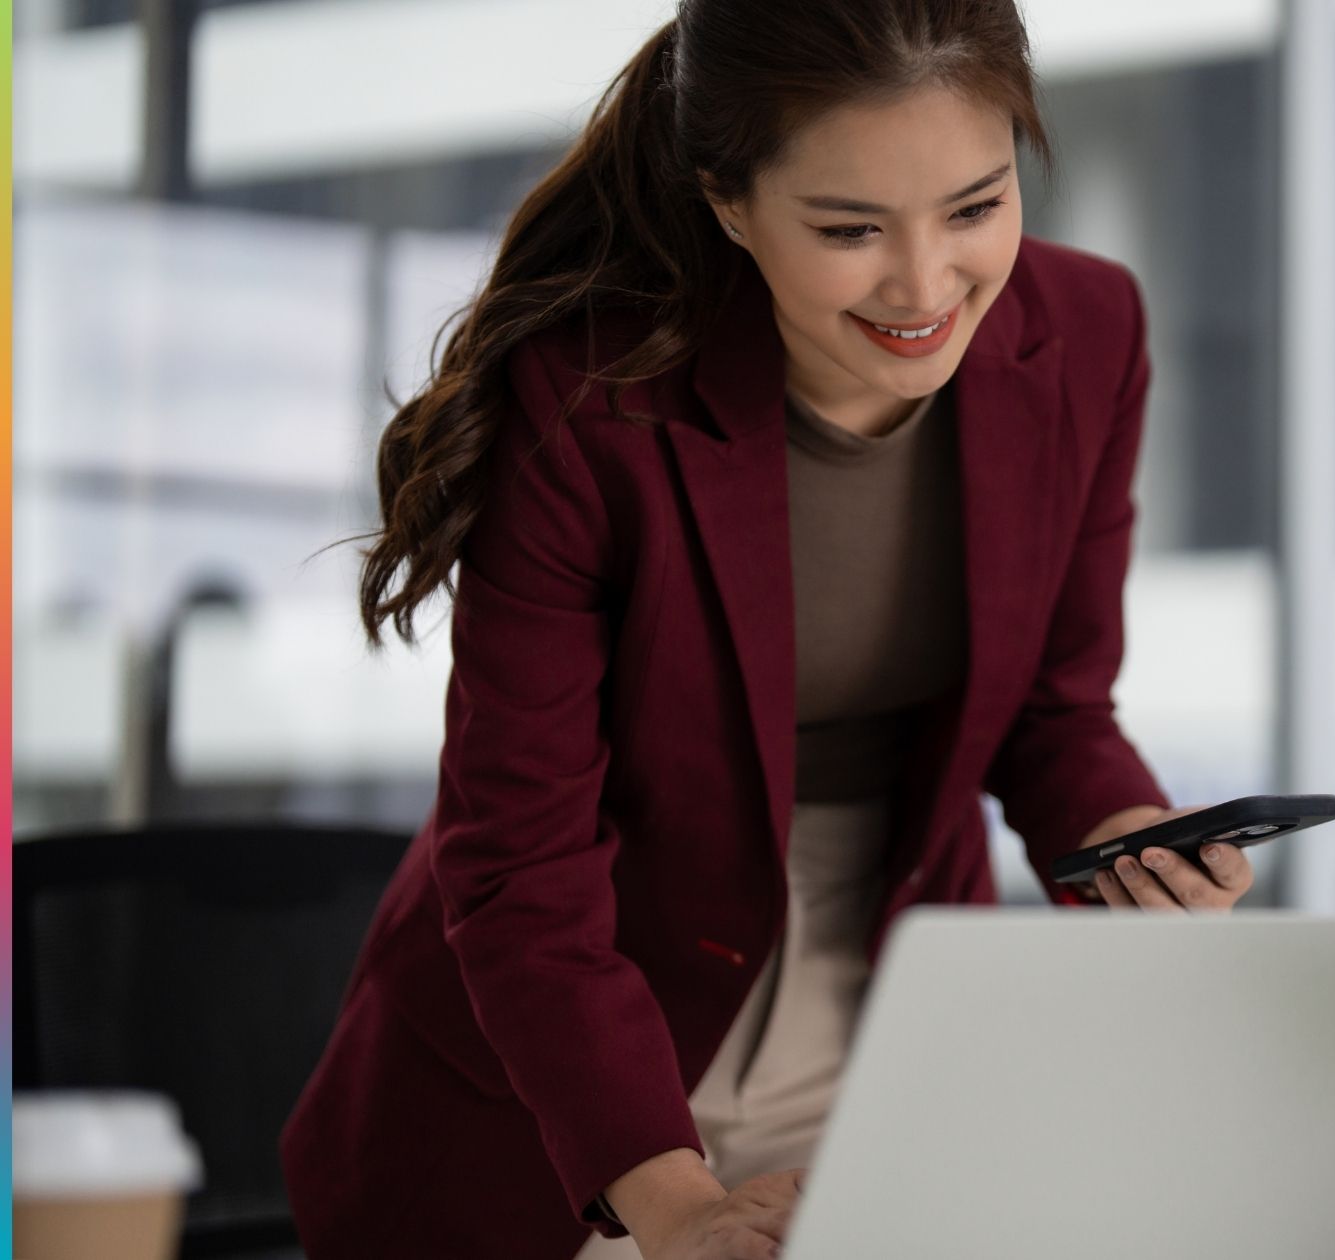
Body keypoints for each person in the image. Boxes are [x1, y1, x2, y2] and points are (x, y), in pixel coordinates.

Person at [279, 4, 1254, 1257]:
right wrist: (674, 1207)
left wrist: (1125, 839)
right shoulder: (588, 402)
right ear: (728, 204)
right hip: (572, 1057)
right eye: (851, 229)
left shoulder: (1087, 334)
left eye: (975, 207)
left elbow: (1053, 710)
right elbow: (521, 864)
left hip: (884, 1005)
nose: (925, 284)